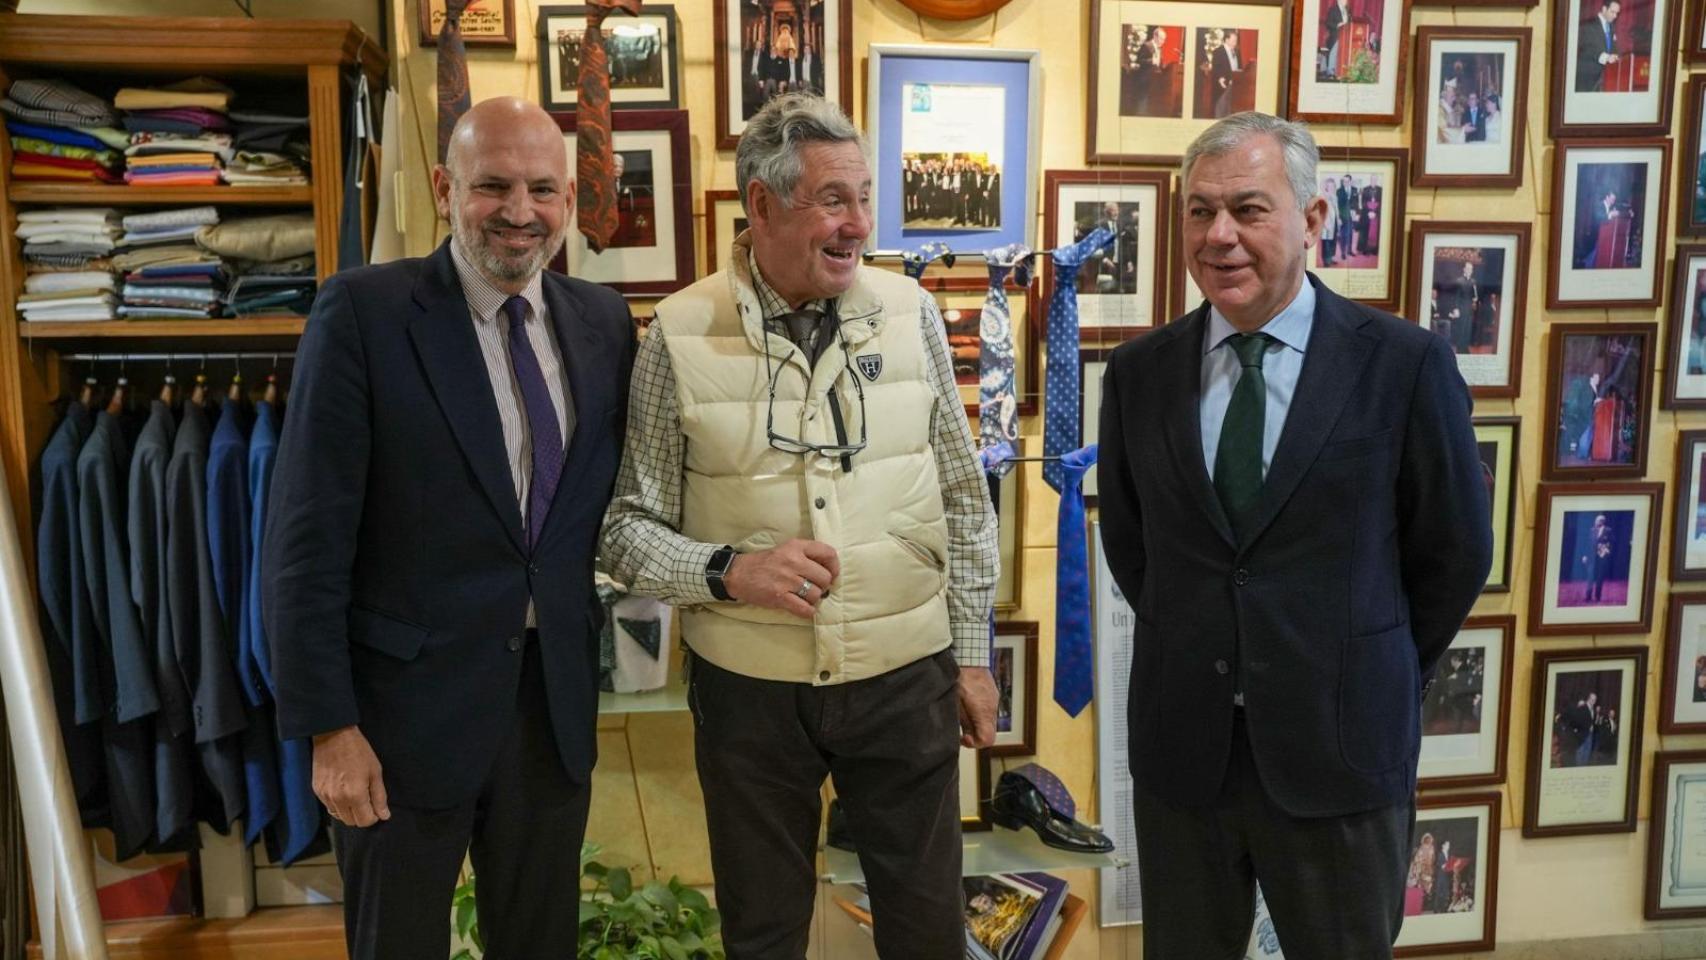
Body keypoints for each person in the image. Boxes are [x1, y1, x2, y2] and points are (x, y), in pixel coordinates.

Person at [600, 92, 1001, 959]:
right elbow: (626, 527)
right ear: (764, 205)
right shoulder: (675, 332)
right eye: (834, 199)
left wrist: (973, 655)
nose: (859, 223)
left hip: (907, 676)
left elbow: (966, 497)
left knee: (929, 931)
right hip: (750, 695)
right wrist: (729, 572)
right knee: (764, 932)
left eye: (864, 196)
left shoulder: (912, 312)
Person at [1097, 112, 1491, 958]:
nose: (1220, 236)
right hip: (1186, 754)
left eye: (1249, 208)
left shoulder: (1402, 365)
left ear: (1313, 220)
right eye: (1200, 212)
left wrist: (1363, 663)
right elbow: (1137, 551)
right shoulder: (1139, 374)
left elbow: (1453, 552)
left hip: (1339, 748)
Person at [262, 97, 635, 960]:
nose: (519, 211)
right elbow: (305, 542)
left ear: (570, 200)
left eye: (543, 189)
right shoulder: (361, 314)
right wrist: (329, 728)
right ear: (444, 187)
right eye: (492, 185)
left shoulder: (604, 324)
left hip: (551, 714)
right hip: (396, 725)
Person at [1577, 0, 1621, 93]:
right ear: (1604, 9)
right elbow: (1587, 48)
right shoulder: (1588, 24)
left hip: (1606, 79)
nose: (1615, 16)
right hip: (1588, 79)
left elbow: (1612, 48)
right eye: (1612, 12)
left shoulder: (1611, 26)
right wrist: (1606, 57)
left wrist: (1617, 57)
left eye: (1617, 13)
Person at [1212, 29, 1243, 117]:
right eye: (1233, 41)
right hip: (1223, 86)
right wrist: (1220, 78)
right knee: (1221, 110)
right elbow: (1216, 68)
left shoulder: (1237, 51)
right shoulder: (1218, 51)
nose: (1235, 43)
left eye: (1236, 41)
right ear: (1226, 40)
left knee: (1231, 110)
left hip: (1235, 84)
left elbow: (1239, 67)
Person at [1323, 0, 1351, 80]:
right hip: (1335, 37)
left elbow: (1350, 23)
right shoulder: (1333, 10)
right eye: (1344, 0)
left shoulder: (1348, 10)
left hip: (1345, 38)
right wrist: (1337, 25)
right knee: (1334, 54)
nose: (1346, 1)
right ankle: (1331, 71)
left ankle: (1342, 71)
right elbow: (1328, 23)